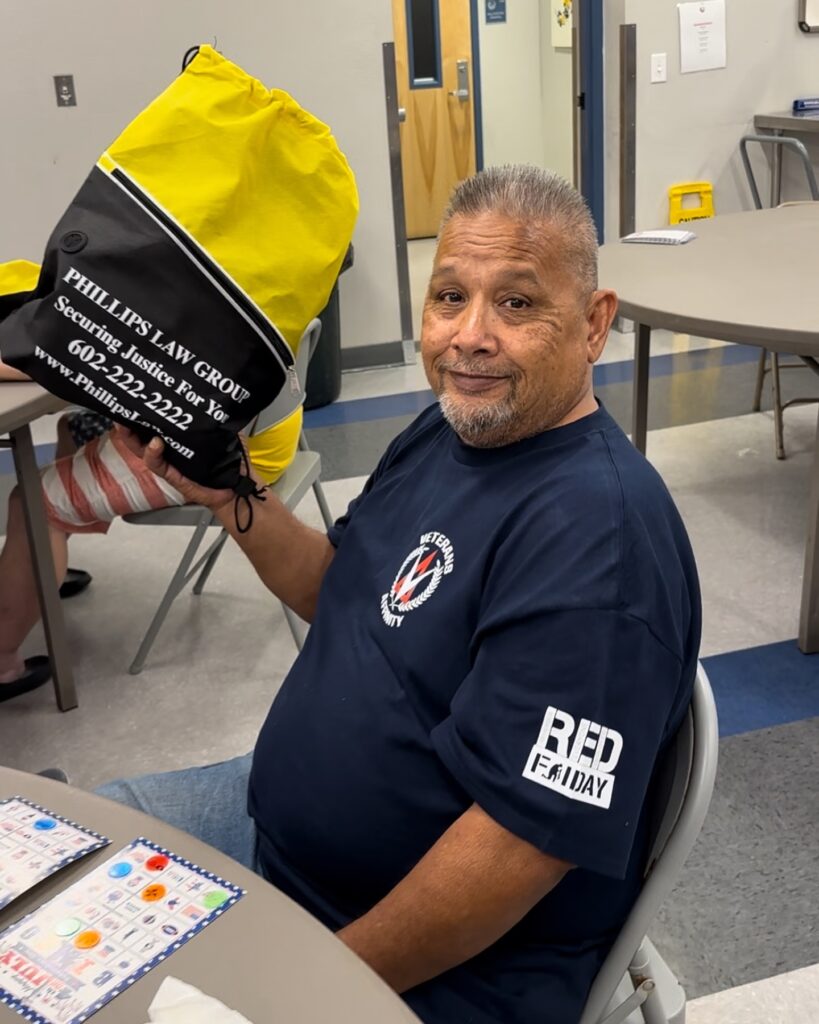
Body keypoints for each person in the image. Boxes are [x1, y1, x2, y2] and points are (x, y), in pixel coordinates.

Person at [97, 165, 701, 1024]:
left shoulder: (598, 543)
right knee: (37, 864)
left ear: (595, 323)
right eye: (449, 297)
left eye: (517, 304)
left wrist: (304, 990)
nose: (470, 336)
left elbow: (514, 850)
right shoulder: (445, 430)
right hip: (269, 835)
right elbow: (340, 590)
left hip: (420, 961)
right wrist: (234, 495)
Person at [0, 359, 304, 700]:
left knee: (31, 503)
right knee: (73, 428)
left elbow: (65, 354)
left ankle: (3, 660)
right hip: (259, 436)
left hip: (215, 458)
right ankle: (41, 567)